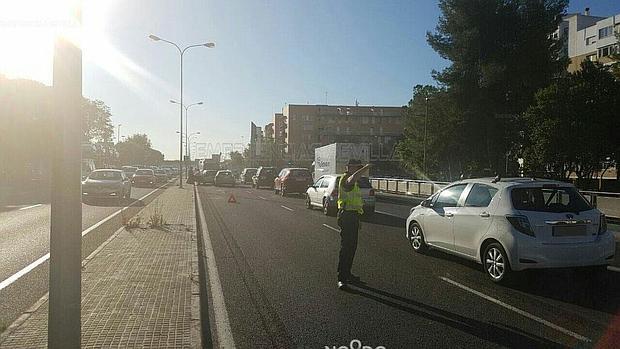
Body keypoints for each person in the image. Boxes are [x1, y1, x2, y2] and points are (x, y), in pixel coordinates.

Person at [336, 159, 371, 290]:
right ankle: (341, 278)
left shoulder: (355, 183)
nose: (358, 171)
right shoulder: (345, 179)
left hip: (353, 217)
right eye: (356, 168)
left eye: (359, 168)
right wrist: (364, 169)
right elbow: (352, 179)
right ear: (349, 168)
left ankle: (347, 273)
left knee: (352, 248)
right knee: (346, 248)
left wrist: (359, 219)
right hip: (346, 217)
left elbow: (355, 202)